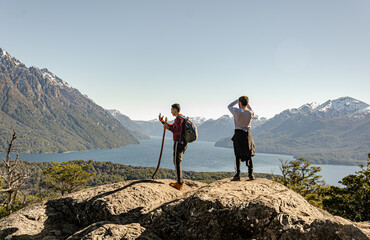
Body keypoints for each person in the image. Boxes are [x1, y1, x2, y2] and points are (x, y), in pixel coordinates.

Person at [158, 103, 187, 190]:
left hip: (179, 142)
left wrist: (168, 128)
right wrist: (163, 122)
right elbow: (172, 127)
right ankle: (179, 181)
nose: (170, 111)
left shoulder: (179, 119)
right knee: (177, 161)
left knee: (177, 161)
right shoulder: (180, 118)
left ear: (175, 109)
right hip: (181, 142)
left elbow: (178, 131)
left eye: (171, 109)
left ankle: (179, 183)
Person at [228, 96, 256, 181]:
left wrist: (237, 101)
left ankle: (237, 175)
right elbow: (253, 113)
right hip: (248, 134)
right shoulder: (250, 112)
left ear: (240, 103)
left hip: (238, 134)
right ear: (247, 104)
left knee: (237, 155)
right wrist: (247, 104)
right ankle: (250, 174)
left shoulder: (236, 111)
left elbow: (229, 106)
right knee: (249, 153)